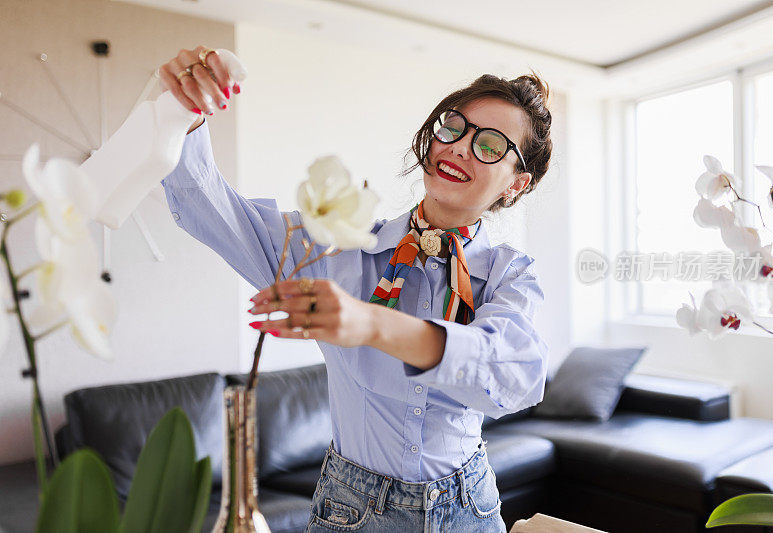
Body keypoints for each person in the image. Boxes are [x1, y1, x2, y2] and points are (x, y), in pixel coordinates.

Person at [159, 45, 552, 532]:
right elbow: (208, 206)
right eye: (454, 128)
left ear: (516, 184)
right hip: (353, 510)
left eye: (490, 145)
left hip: (469, 507)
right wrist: (183, 112)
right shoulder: (335, 246)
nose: (458, 147)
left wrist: (371, 323)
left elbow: (515, 376)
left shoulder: (510, 275)